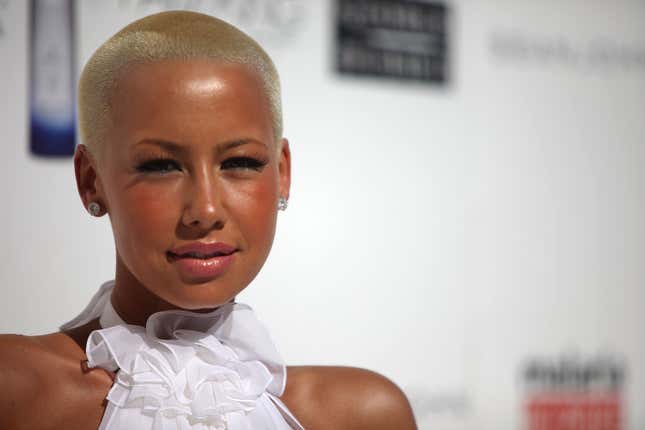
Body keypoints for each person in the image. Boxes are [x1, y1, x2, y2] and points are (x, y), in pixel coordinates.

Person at [0, 10, 417, 430]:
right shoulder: (14, 389)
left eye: (239, 162)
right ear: (91, 181)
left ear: (282, 173)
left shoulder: (365, 414)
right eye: (161, 166)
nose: (206, 211)